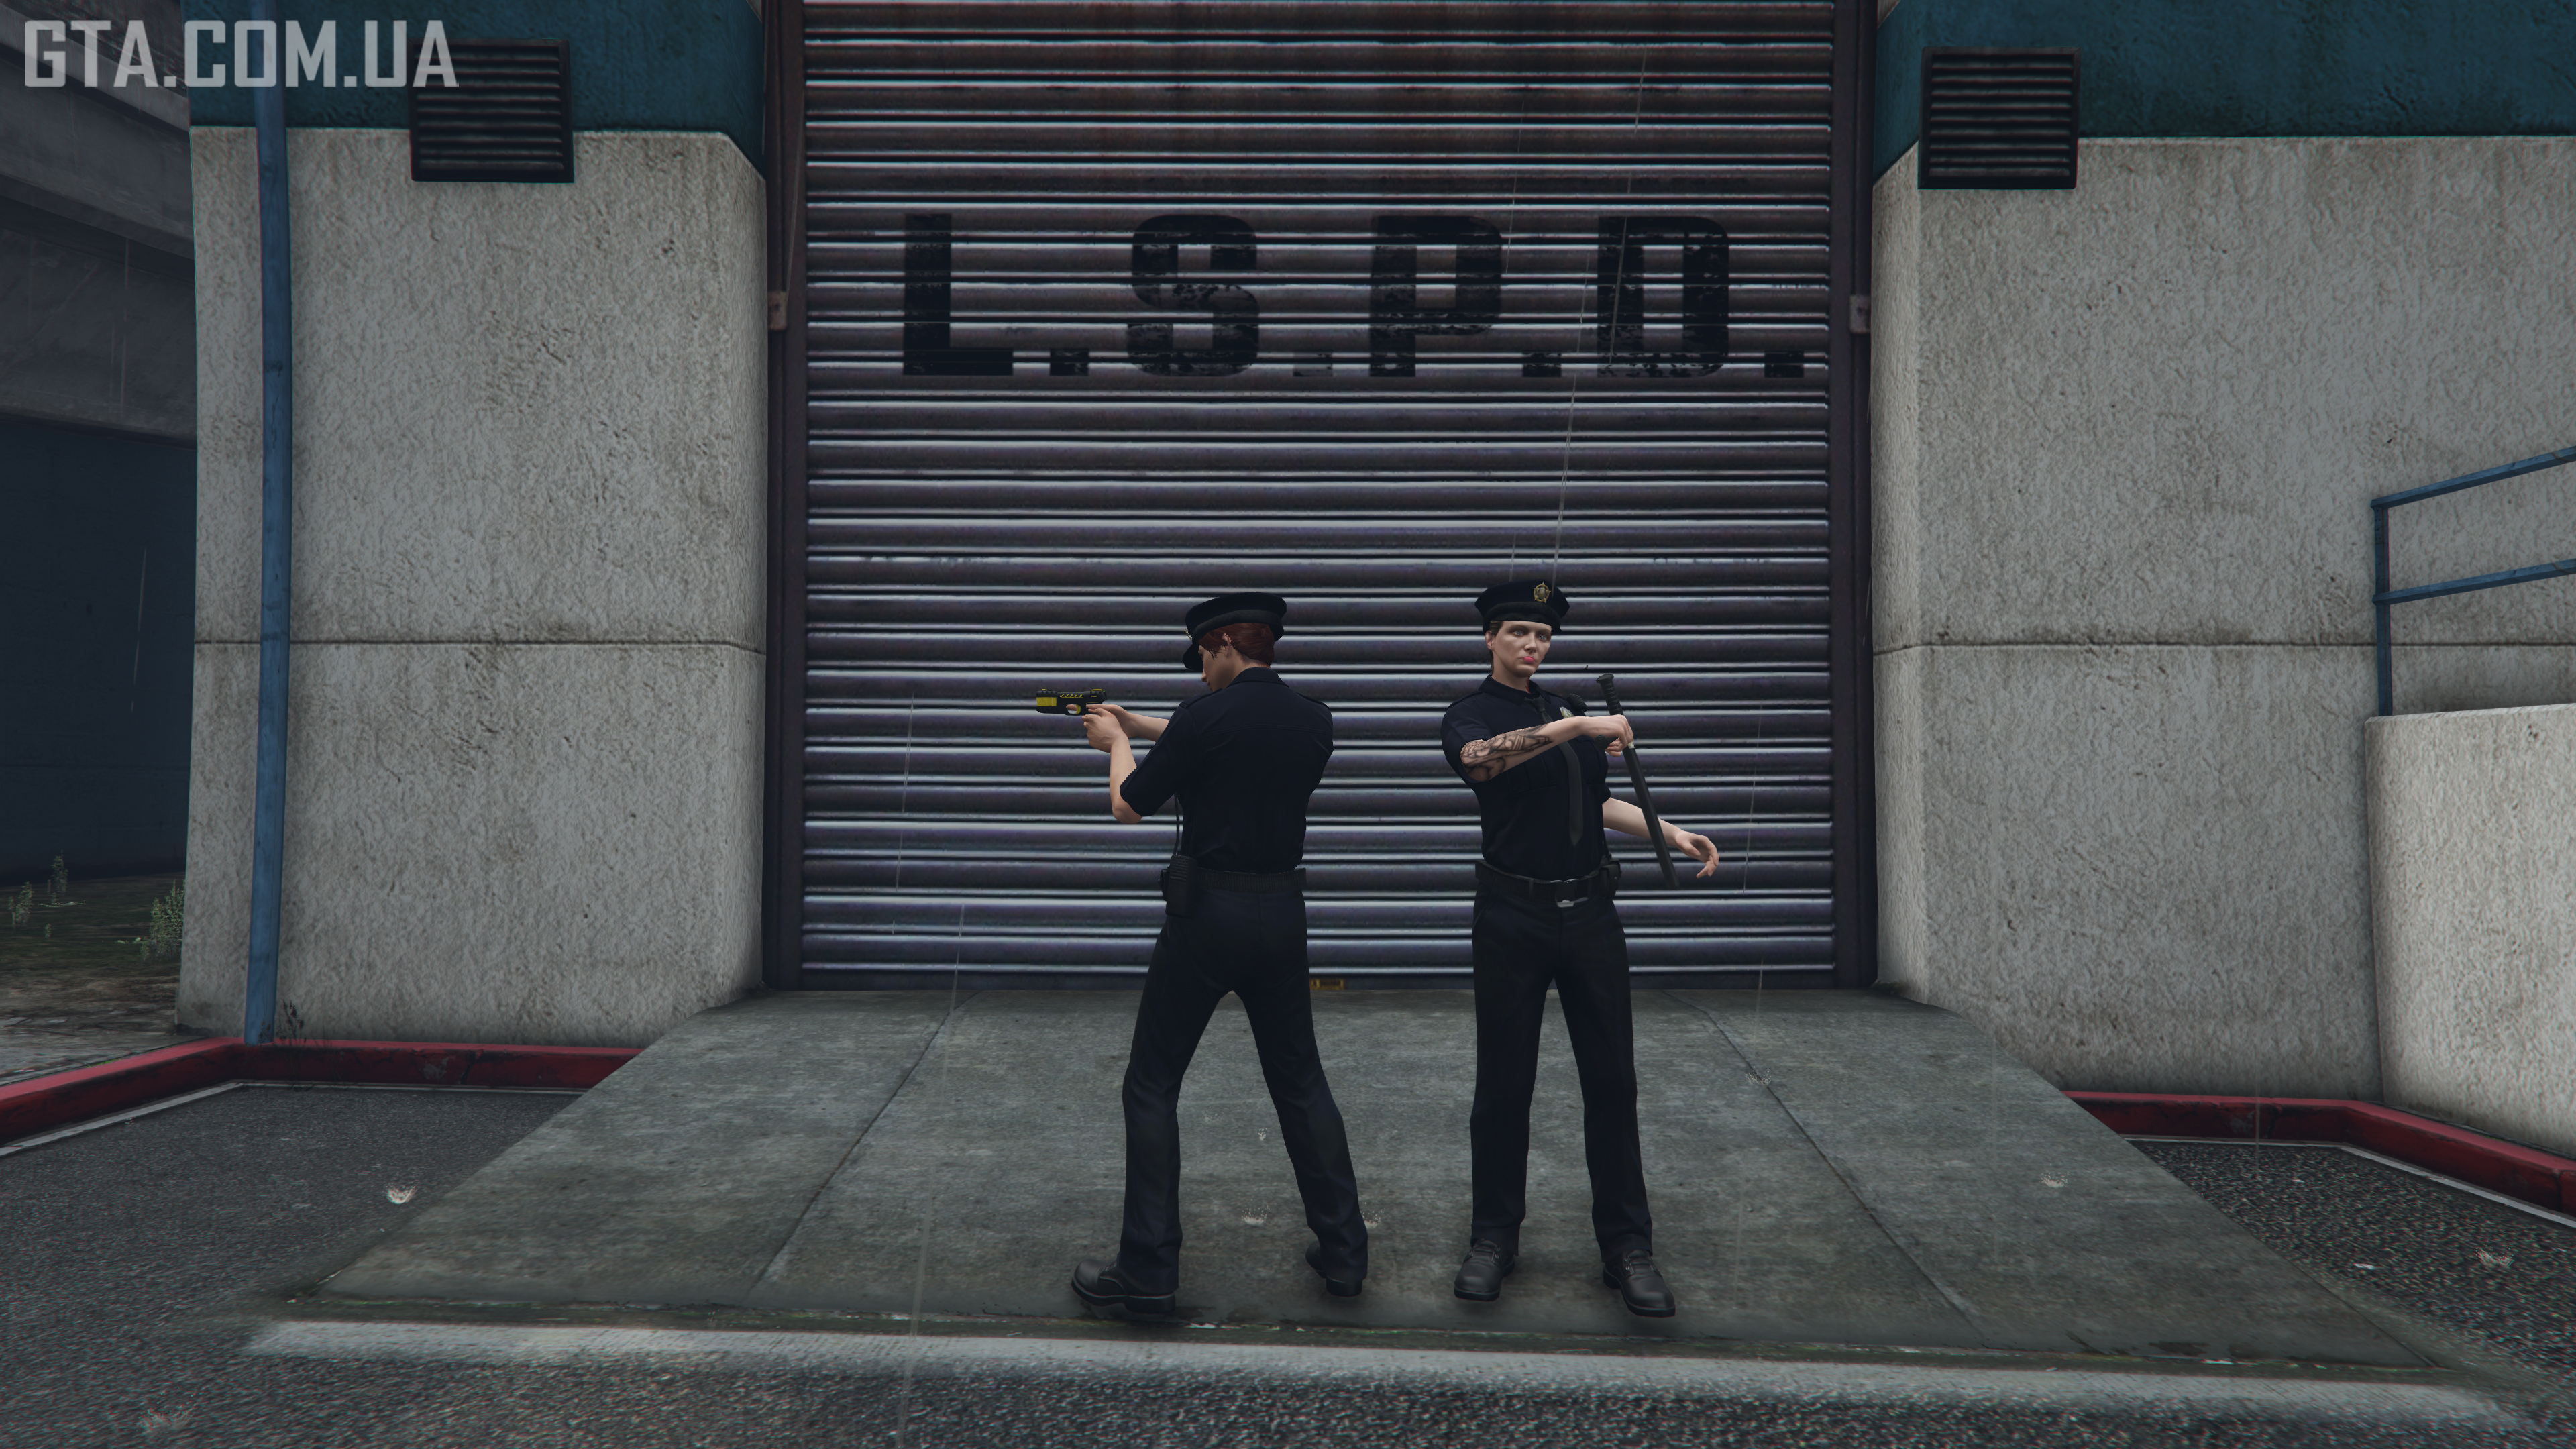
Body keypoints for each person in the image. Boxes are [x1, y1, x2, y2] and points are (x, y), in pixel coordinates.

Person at [1068, 592, 1369, 1317]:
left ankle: (1148, 1270)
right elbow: (1217, 735)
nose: (1200, 672)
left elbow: (1129, 803)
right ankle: (1345, 1254)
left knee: (1152, 1084)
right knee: (1301, 1082)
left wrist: (1114, 745)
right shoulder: (1315, 719)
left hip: (1207, 918)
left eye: (1203, 658)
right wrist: (1135, 721)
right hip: (1282, 914)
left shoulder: (1204, 718)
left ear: (1225, 645)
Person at [1437, 579, 1722, 1317]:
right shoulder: (1471, 714)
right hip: (1511, 916)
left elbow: (1596, 802)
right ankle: (1493, 1238)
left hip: (1591, 915)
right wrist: (1580, 727)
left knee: (1613, 1081)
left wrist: (1671, 832)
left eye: (1543, 636)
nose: (1533, 646)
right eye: (1519, 633)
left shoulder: (1564, 707)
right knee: (1504, 1085)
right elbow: (1481, 761)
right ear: (1490, 638)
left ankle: (1627, 1247)